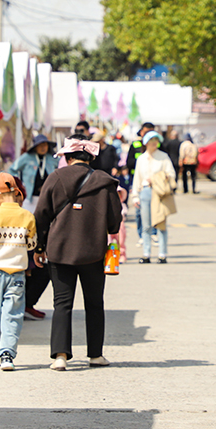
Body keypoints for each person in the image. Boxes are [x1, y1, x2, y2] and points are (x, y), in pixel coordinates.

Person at [33, 134, 123, 371]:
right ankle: (95, 354)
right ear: (90, 157)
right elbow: (115, 222)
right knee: (94, 303)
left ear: (68, 156)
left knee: (62, 304)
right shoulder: (105, 181)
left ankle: (60, 356)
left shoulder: (55, 178)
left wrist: (39, 247)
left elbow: (40, 216)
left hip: (59, 251)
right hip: (93, 251)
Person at [0, 173, 37, 371]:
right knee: (12, 314)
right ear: (15, 192)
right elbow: (31, 244)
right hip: (17, 273)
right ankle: (7, 355)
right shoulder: (27, 216)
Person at [8, 134, 58, 321]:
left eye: (46, 145)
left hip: (46, 199)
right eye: (40, 145)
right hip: (30, 199)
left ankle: (27, 303)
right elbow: (12, 170)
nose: (43, 148)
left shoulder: (52, 160)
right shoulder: (27, 159)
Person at [131, 130, 177, 264]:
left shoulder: (163, 157)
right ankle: (146, 254)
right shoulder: (141, 158)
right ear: (145, 143)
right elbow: (137, 179)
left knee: (161, 224)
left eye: (155, 141)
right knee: (146, 225)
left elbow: (171, 174)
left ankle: (162, 254)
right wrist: (135, 196)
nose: (153, 144)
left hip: (160, 193)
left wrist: (157, 178)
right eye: (151, 141)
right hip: (144, 192)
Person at [128, 122, 156, 244]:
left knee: (155, 211)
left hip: (155, 186)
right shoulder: (135, 144)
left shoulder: (158, 147)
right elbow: (129, 161)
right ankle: (142, 235)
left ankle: (154, 233)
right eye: (146, 132)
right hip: (138, 182)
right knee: (139, 212)